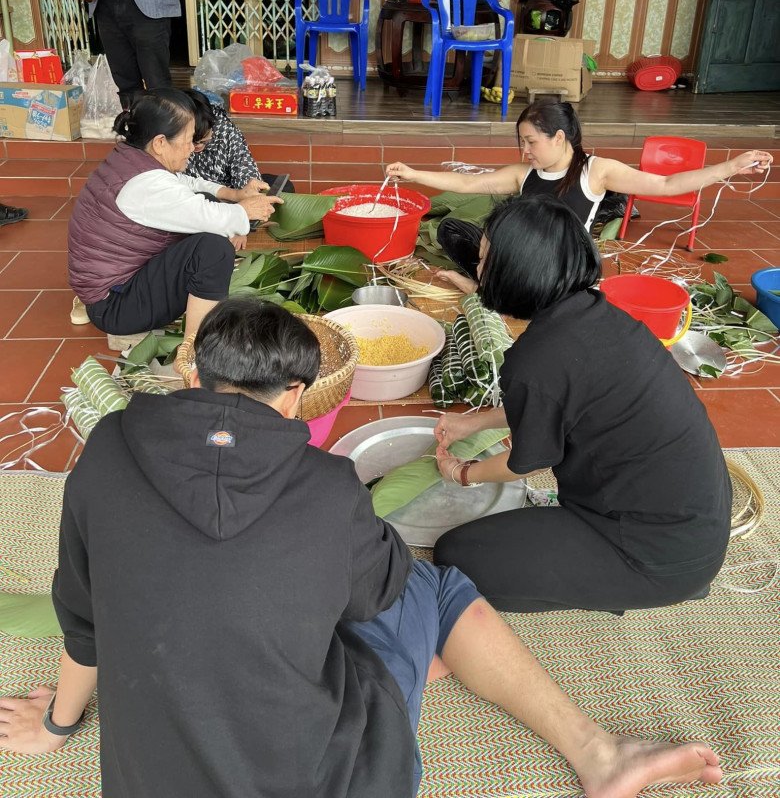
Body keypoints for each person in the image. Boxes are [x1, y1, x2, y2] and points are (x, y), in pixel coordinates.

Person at [0, 298, 723, 798]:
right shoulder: (325, 482)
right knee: (429, 587)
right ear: (295, 396)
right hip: (349, 781)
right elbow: (377, 593)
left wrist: (59, 722)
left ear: (194, 374)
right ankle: (598, 752)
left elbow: (85, 621)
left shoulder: (104, 453)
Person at [431, 196, 732, 615]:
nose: (477, 271)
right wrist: (471, 425)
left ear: (515, 271)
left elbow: (524, 462)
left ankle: (619, 586)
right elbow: (560, 402)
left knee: (457, 555)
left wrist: (462, 472)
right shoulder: (600, 315)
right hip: (694, 526)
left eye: (483, 261)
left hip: (651, 553)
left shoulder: (536, 359)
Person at [386, 98, 773, 281]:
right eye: (521, 142)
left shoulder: (597, 171)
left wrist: (733, 166)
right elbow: (470, 183)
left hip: (560, 266)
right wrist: (414, 173)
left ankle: (485, 287)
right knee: (453, 230)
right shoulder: (524, 174)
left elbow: (667, 183)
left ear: (558, 137)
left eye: (530, 142)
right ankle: (491, 284)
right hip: (520, 258)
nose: (524, 150)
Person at [67, 88, 281, 349]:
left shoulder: (134, 158)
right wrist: (247, 210)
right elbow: (205, 214)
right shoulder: (146, 186)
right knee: (214, 250)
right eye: (189, 140)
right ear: (159, 142)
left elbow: (185, 183)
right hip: (115, 306)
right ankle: (193, 350)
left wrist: (235, 195)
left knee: (209, 207)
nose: (193, 148)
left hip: (115, 288)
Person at [185, 88, 295, 194]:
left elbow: (243, 165)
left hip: (232, 192)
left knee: (283, 187)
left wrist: (249, 191)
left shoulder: (224, 129)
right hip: (195, 201)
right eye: (193, 142)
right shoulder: (174, 142)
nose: (198, 146)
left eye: (204, 141)